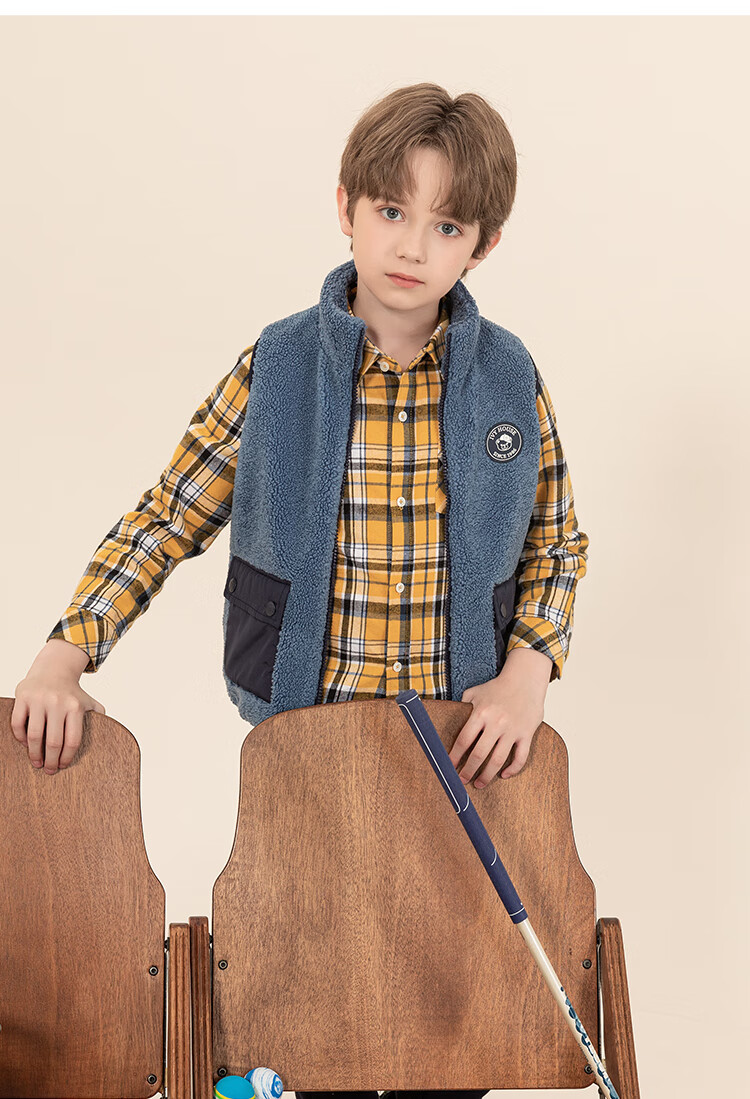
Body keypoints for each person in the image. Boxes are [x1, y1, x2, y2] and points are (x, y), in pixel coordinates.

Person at [12, 82, 589, 1099]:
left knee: (446, 1029)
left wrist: (528, 672)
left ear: (482, 245)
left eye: (446, 225)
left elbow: (557, 542)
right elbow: (165, 517)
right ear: (345, 207)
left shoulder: (508, 377)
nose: (411, 245)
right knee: (311, 1027)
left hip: (460, 754)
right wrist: (67, 651)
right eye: (391, 210)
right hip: (305, 754)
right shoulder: (277, 367)